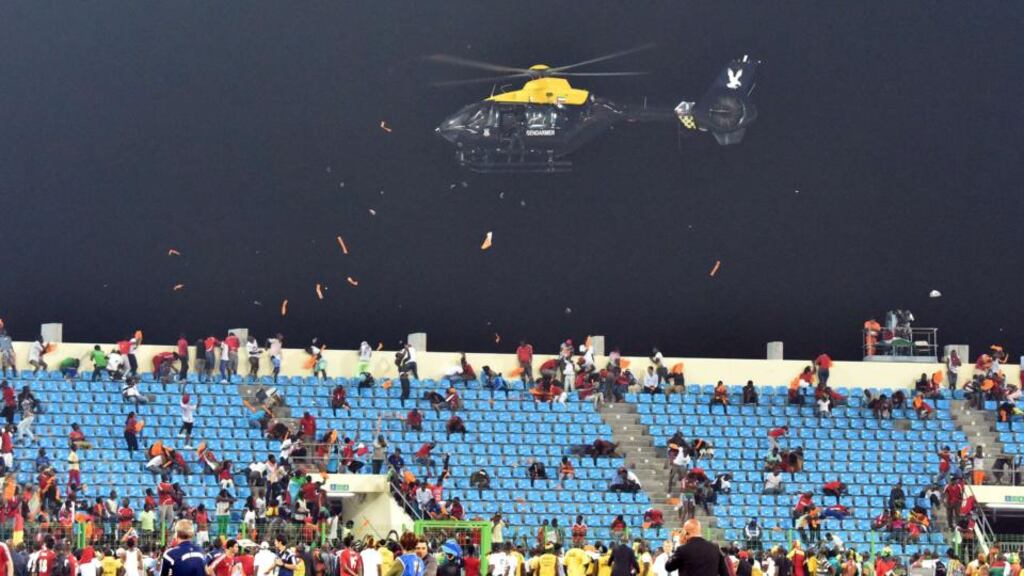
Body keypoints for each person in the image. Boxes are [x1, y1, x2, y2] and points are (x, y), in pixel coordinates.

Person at [665, 519, 729, 576]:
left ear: (685, 532)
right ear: (700, 530)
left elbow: (668, 567)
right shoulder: (715, 547)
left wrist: (678, 546)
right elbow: (725, 573)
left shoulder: (682, 550)